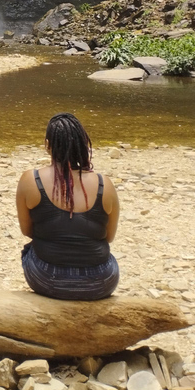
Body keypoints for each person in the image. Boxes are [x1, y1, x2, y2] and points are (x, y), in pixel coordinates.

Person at [16, 113, 120, 300]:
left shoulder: (31, 180)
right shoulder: (105, 184)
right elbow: (109, 237)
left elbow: (27, 230)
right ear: (82, 144)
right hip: (99, 281)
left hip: (48, 278)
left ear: (48, 145)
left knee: (28, 250)